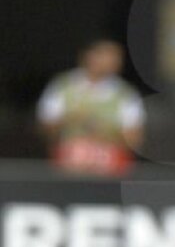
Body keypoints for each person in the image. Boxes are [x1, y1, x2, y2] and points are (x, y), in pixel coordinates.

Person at [37, 39, 144, 176]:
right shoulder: (62, 86)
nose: (113, 61)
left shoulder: (125, 94)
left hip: (110, 167)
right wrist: (72, 119)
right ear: (89, 56)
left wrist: (105, 129)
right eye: (106, 56)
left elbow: (135, 138)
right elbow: (45, 128)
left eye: (117, 57)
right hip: (70, 164)